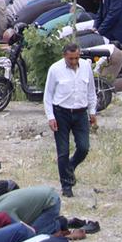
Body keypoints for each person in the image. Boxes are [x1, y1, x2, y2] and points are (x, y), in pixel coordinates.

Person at [44, 40, 98, 197]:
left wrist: (92, 112)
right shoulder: (55, 69)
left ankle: (70, 167)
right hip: (61, 113)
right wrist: (50, 116)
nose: (74, 62)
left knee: (83, 147)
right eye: (70, 59)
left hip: (81, 112)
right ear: (64, 56)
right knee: (63, 151)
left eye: (76, 58)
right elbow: (48, 95)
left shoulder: (86, 66)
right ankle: (66, 186)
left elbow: (91, 91)